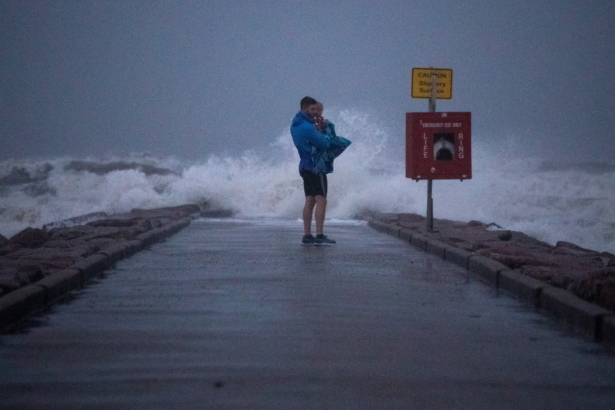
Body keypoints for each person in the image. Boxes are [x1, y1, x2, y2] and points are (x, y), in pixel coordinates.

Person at [290, 96, 338, 246]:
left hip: (304, 166)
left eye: (317, 109)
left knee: (310, 200)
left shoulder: (295, 124)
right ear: (305, 109)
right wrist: (324, 130)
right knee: (321, 200)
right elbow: (324, 143)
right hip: (316, 167)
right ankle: (319, 235)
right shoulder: (306, 127)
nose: (315, 112)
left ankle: (307, 235)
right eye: (312, 109)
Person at [311, 102, 351, 175]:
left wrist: (322, 130)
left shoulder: (325, 123)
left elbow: (331, 136)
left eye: (318, 110)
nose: (316, 112)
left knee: (321, 168)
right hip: (315, 149)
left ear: (321, 112)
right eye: (314, 110)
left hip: (324, 146)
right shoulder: (308, 122)